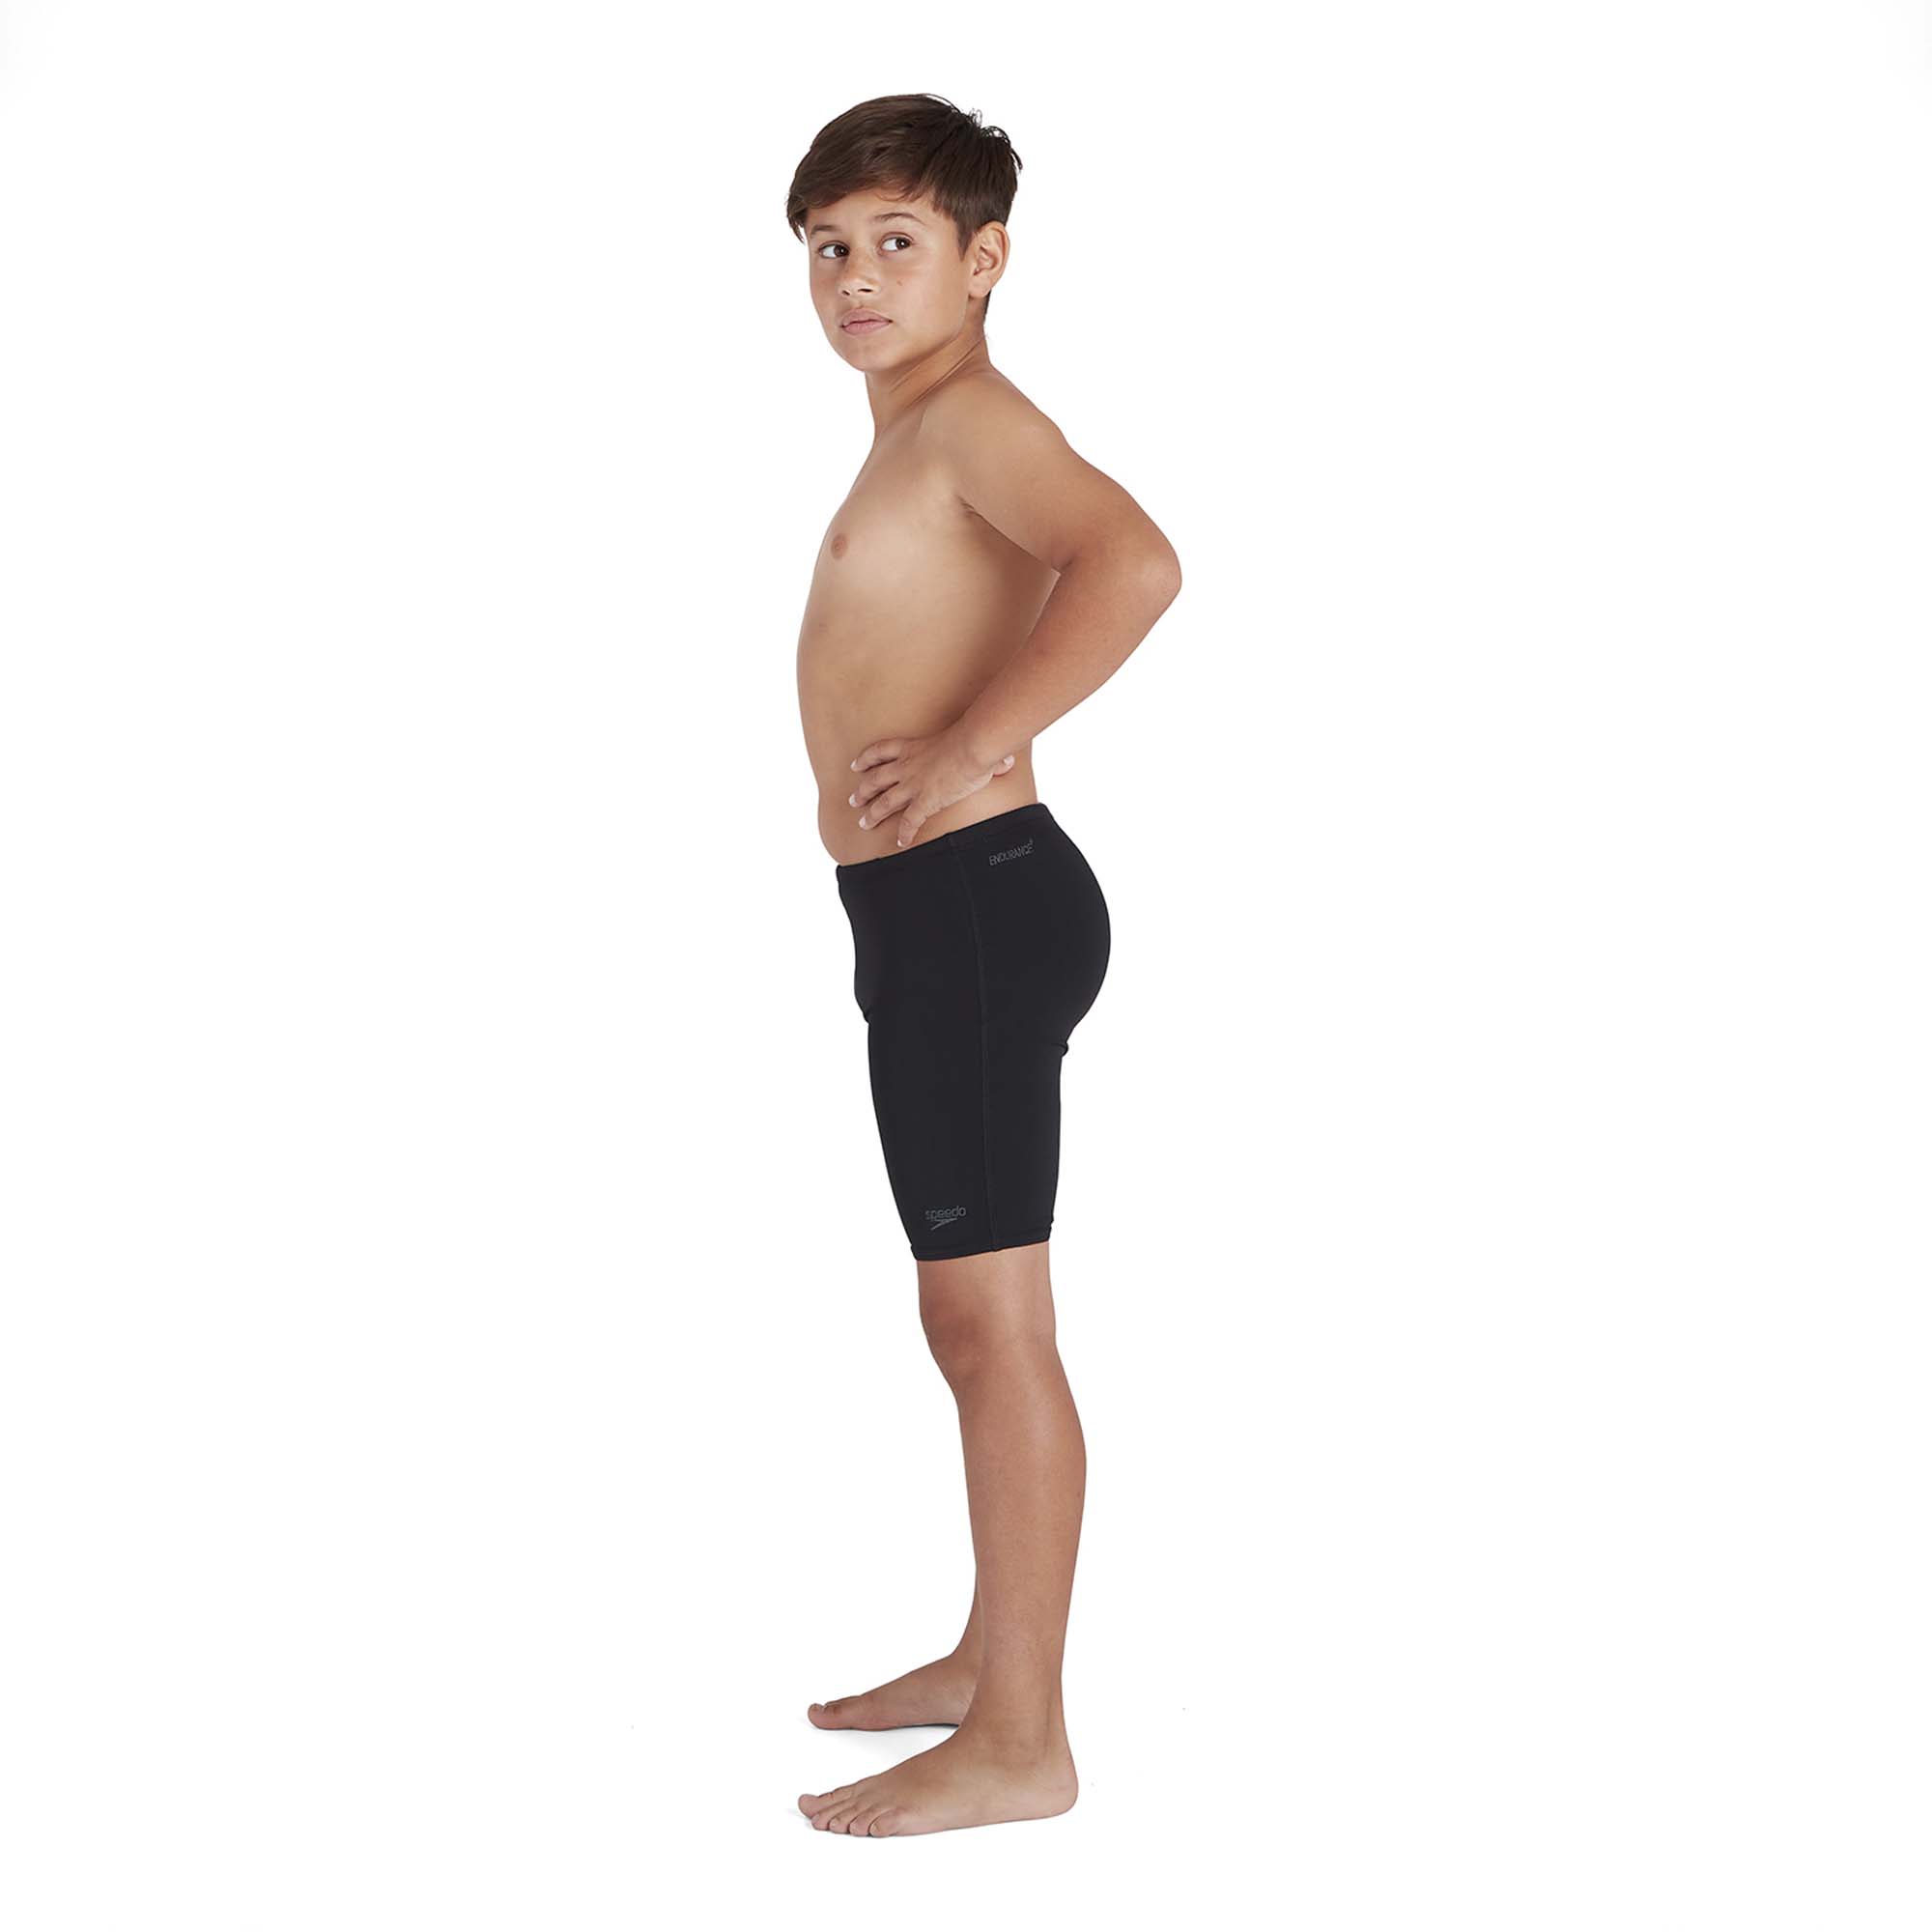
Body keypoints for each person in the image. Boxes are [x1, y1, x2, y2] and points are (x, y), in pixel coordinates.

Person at [787, 93, 1182, 1837]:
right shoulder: (916, 437)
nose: (856, 278)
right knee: (974, 1322)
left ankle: (1023, 1738)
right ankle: (987, 1659)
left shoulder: (971, 424)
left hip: (969, 903)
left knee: (987, 1326)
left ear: (985, 259)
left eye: (897, 242)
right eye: (828, 248)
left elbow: (1136, 562)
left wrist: (971, 746)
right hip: (938, 912)